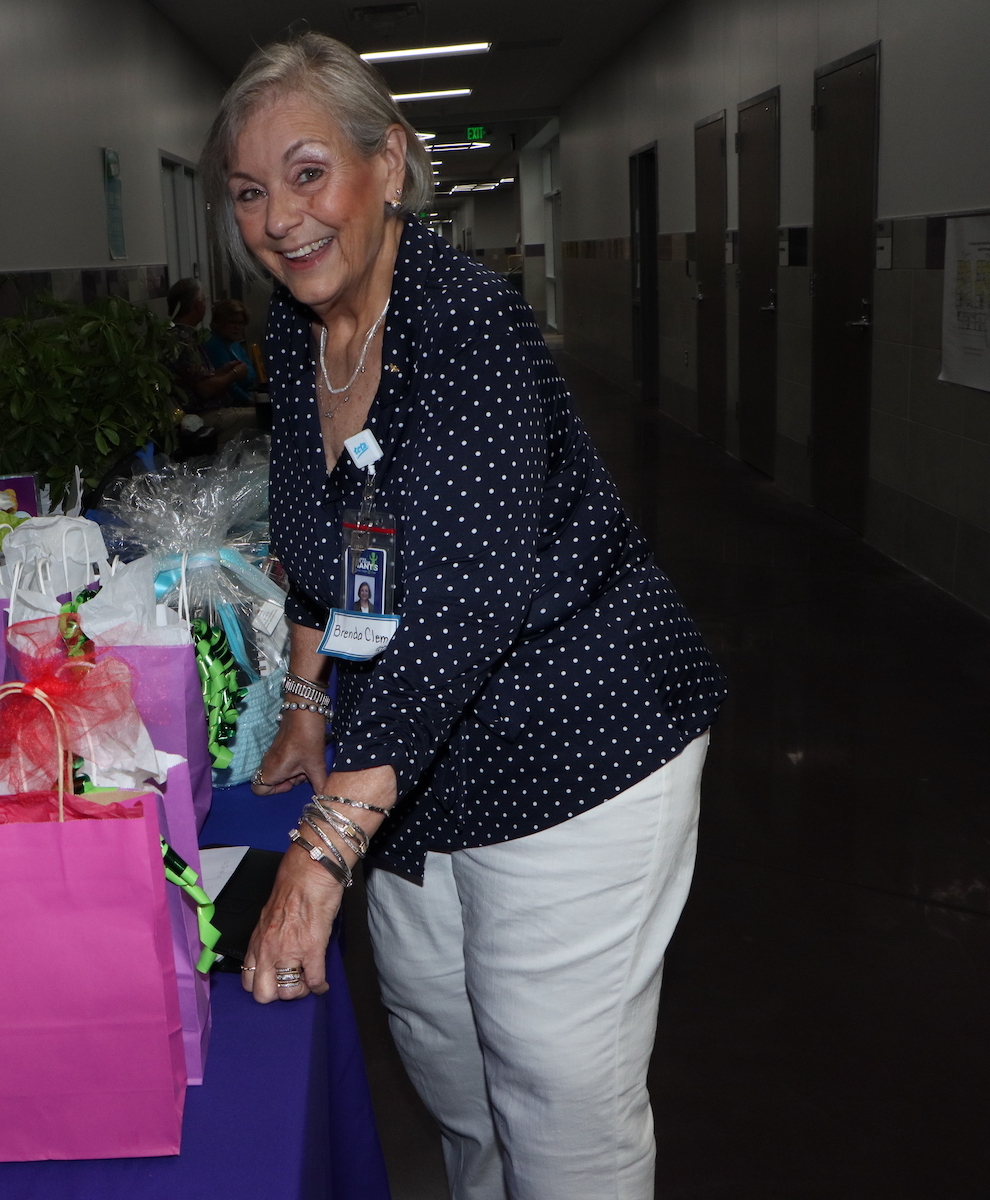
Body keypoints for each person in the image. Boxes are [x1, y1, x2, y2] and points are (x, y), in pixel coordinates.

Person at [203, 33, 726, 1200]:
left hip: (579, 739)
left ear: (388, 165)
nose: (281, 217)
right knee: (449, 1066)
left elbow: (456, 614)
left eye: (306, 171)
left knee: (553, 1094)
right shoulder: (299, 330)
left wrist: (321, 856)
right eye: (248, 191)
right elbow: (317, 539)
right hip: (418, 761)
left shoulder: (466, 331)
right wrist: (302, 705)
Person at [165, 277, 255, 448]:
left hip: (212, 409)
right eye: (204, 300)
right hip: (203, 415)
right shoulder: (183, 341)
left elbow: (198, 377)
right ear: (198, 305)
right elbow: (205, 389)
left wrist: (223, 372)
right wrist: (234, 374)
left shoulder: (182, 336)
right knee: (268, 417)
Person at [202, 298, 259, 407]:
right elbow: (230, 387)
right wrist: (251, 402)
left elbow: (251, 373)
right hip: (227, 405)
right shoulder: (213, 343)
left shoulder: (235, 344)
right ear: (220, 323)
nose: (237, 327)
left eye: (241, 323)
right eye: (232, 323)